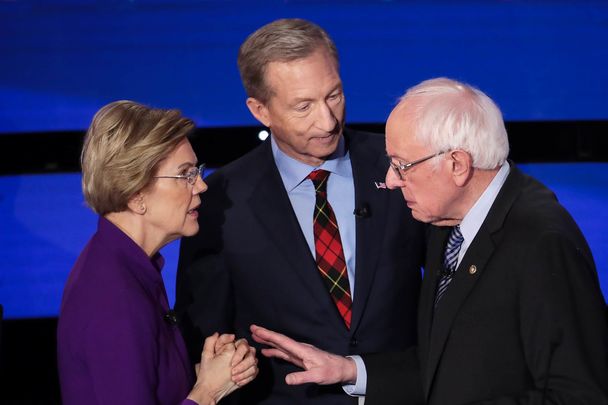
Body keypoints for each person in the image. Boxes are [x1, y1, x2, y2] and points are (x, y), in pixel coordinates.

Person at [249, 78, 608, 404]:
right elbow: (445, 366)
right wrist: (348, 370)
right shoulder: (446, 224)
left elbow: (580, 395)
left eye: (401, 165)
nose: (389, 180)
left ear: (457, 165)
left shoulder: (541, 241)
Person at [175, 18, 426, 404]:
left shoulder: (401, 165)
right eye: (303, 106)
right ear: (260, 110)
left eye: (334, 95)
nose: (327, 121)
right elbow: (207, 338)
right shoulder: (219, 201)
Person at [57, 101, 258, 405]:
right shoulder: (113, 297)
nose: (201, 186)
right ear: (136, 195)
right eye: (185, 174)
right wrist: (208, 392)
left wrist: (209, 372)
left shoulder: (126, 267)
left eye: (197, 171)